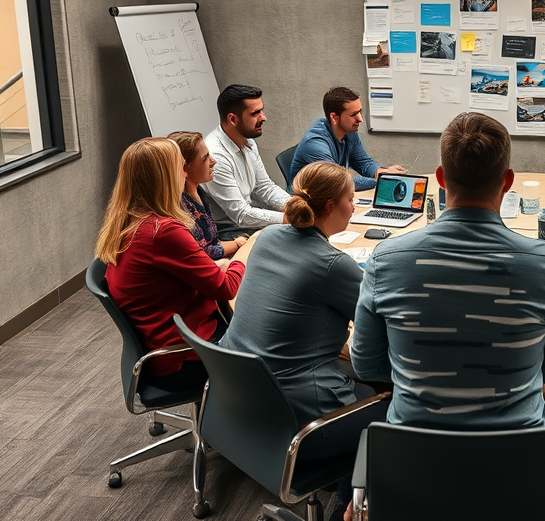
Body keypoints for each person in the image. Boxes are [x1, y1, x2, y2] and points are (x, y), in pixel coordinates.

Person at [350, 111, 545, 430]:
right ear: (508, 181)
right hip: (520, 463)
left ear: (440, 178)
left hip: (412, 459)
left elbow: (367, 365)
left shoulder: (387, 259)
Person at [218, 162, 373, 458]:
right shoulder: (333, 265)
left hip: (238, 397)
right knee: (392, 404)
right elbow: (381, 322)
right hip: (298, 420)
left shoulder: (267, 237)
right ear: (330, 206)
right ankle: (348, 501)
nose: (354, 207)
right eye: (351, 199)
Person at [96, 137, 244, 391]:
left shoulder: (129, 220)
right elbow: (226, 288)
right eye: (180, 166)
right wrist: (243, 256)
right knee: (276, 340)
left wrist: (220, 265)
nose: (185, 172)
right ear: (165, 177)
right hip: (185, 355)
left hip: (164, 342)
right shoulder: (161, 232)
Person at [204, 84, 290, 233]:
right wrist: (289, 218)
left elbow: (263, 187)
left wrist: (295, 204)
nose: (263, 117)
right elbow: (241, 215)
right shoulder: (215, 157)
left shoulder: (248, 140)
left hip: (251, 219)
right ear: (232, 119)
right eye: (256, 113)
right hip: (229, 230)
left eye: (262, 110)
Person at [289, 86, 406, 192]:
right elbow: (340, 182)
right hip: (306, 207)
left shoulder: (349, 132)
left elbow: (363, 162)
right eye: (353, 114)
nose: (360, 119)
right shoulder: (315, 144)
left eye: (360, 112)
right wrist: (382, 181)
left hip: (330, 197)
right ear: (334, 117)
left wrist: (379, 172)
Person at [168, 131, 248, 259]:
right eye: (205, 158)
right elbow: (204, 252)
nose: (213, 161)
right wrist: (238, 244)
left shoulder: (199, 191)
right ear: (185, 168)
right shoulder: (181, 207)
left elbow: (213, 241)